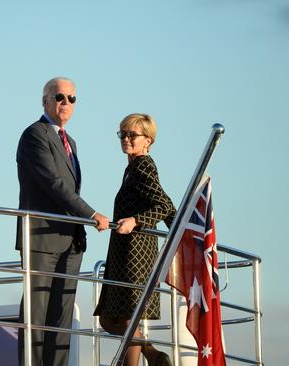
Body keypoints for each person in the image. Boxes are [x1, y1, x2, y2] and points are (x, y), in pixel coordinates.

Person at [16, 77, 109, 366]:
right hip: (42, 239)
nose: (65, 103)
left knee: (62, 317)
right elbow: (54, 184)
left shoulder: (71, 142)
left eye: (71, 98)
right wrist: (92, 215)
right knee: (38, 314)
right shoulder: (34, 135)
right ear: (45, 101)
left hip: (71, 241)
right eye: (59, 97)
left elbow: (68, 187)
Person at [93, 113, 175, 366]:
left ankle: (143, 359)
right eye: (123, 134)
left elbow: (166, 205)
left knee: (128, 317)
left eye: (132, 135)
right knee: (109, 318)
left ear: (147, 141)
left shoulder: (143, 166)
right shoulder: (132, 167)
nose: (126, 139)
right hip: (123, 251)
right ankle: (153, 355)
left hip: (135, 253)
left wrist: (136, 221)